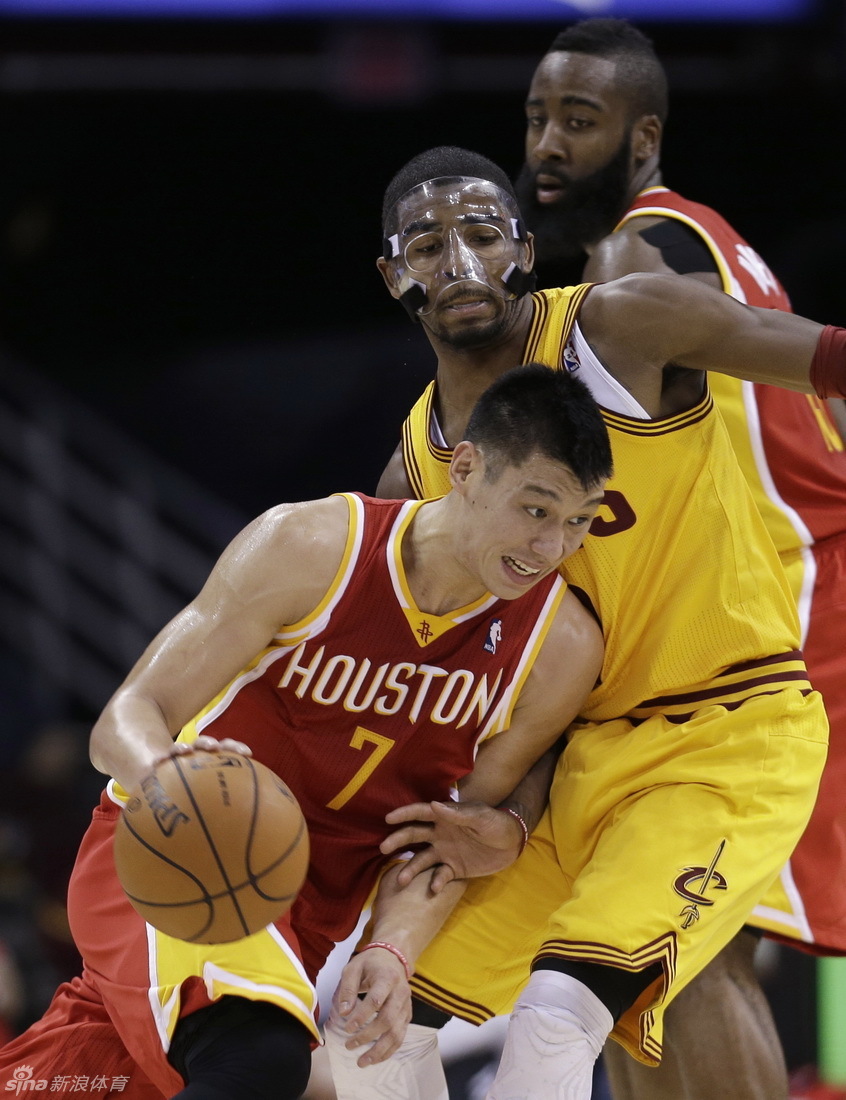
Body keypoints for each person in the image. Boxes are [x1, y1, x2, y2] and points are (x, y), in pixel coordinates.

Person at [323, 144, 838, 1100]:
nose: (461, 265)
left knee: (561, 1019)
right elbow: (446, 708)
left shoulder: (621, 325)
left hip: (722, 738)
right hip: (568, 773)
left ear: (524, 245)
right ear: (394, 275)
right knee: (365, 1033)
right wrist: (497, 822)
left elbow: (828, 360)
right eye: (428, 246)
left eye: (483, 235)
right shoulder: (413, 479)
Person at [0, 363, 613, 1099]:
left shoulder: (559, 648)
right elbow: (125, 718)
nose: (552, 546)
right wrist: (174, 784)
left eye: (580, 520)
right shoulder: (313, 545)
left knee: (100, 1074)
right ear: (468, 467)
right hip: (185, 854)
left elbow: (444, 839)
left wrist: (392, 947)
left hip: (311, 921)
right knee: (259, 1062)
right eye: (536, 510)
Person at [515, 19, 846, 1099]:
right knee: (648, 938)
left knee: (681, 939)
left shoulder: (631, 258)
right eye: (536, 119)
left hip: (788, 619)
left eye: (580, 120)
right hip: (796, 593)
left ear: (643, 135)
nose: (549, 146)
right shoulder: (706, 235)